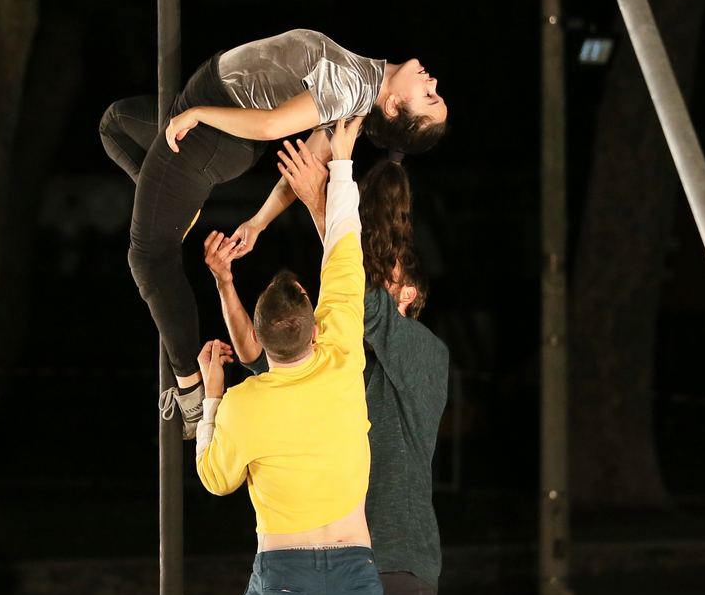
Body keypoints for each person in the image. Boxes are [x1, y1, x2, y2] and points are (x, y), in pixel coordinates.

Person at [99, 29, 447, 436]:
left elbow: (270, 126)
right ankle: (173, 203)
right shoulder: (357, 99)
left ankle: (189, 390)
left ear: (393, 105)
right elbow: (300, 167)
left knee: (148, 257)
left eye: (429, 97)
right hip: (210, 107)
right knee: (115, 124)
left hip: (210, 132)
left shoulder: (352, 87)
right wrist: (257, 223)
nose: (433, 82)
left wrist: (201, 115)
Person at [203, 147, 449, 595]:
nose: (367, 276)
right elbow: (263, 358)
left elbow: (357, 293)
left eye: (384, 275)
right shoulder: (334, 363)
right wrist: (225, 284)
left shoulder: (426, 354)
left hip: (396, 562)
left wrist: (322, 204)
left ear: (410, 294)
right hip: (335, 560)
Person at [194, 117, 388, 595]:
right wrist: (341, 163)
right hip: (353, 569)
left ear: (259, 340)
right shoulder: (341, 355)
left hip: (284, 578)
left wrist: (212, 396)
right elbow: (344, 249)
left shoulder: (243, 404)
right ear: (315, 328)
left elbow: (215, 478)